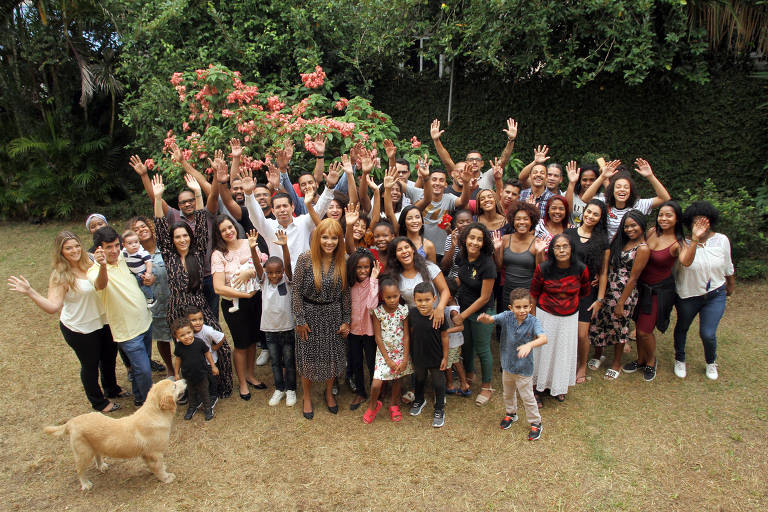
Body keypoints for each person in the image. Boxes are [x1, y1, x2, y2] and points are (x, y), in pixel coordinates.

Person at [8, 231, 125, 412]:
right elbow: (53, 306)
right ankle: (99, 402)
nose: (75, 250)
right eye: (68, 248)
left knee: (109, 358)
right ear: (61, 251)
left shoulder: (93, 260)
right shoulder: (60, 275)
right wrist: (30, 292)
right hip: (80, 328)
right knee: (90, 365)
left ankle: (111, 388)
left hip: (104, 321)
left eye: (77, 245)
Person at [151, 175, 233, 398]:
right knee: (186, 351)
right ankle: (188, 390)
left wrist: (198, 193)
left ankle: (219, 385)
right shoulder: (168, 255)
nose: (182, 239)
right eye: (177, 236)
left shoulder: (197, 252)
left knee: (220, 344)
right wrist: (158, 197)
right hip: (177, 309)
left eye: (185, 235)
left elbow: (201, 222)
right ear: (172, 239)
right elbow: (159, 225)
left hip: (198, 306)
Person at [130, 151, 220, 319]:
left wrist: (215, 175)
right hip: (185, 277)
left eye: (190, 200)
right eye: (183, 202)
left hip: (209, 274)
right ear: (178, 205)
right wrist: (144, 176)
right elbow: (155, 200)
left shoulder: (206, 213)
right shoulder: (173, 216)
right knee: (189, 320)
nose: (187, 204)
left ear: (196, 200)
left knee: (211, 316)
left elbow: (214, 195)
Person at [625, 201, 694, 381]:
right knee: (639, 323)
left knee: (644, 331)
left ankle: (651, 361)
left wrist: (694, 239)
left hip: (659, 291)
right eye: (661, 214)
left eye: (668, 215)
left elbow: (686, 261)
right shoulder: (651, 232)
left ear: (677, 218)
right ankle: (640, 360)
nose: (663, 218)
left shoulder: (678, 243)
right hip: (641, 286)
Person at [291, 218, 352, 420]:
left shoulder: (342, 259)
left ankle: (328, 393)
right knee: (308, 358)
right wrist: (300, 320)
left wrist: (346, 320)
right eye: (325, 237)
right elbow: (296, 291)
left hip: (333, 315)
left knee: (331, 358)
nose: (329, 242)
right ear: (317, 238)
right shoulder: (305, 259)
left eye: (334, 238)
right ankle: (307, 397)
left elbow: (345, 294)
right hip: (309, 315)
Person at [87, 226, 154, 406]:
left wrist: (149, 278)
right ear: (98, 249)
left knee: (142, 367)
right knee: (144, 370)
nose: (115, 250)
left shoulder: (125, 258)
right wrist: (102, 266)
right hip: (127, 332)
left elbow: (143, 269)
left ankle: (140, 397)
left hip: (145, 323)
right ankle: (148, 402)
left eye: (117, 245)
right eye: (109, 247)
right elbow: (101, 285)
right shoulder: (94, 271)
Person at [672, 201, 735, 381]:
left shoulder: (721, 240)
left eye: (704, 221)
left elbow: (728, 266)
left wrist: (730, 286)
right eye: (696, 221)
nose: (700, 225)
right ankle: (680, 359)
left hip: (715, 293)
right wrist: (695, 239)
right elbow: (686, 262)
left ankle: (711, 362)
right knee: (682, 327)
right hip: (688, 295)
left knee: (707, 333)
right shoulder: (683, 243)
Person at [478, 288, 546, 441]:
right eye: (518, 307)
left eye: (525, 307)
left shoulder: (534, 321)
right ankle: (511, 413)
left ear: (530, 306)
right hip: (507, 366)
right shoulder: (506, 316)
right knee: (508, 394)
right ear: (511, 308)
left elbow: (543, 338)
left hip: (524, 369)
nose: (522, 310)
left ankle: (536, 423)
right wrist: (486, 319)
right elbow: (492, 319)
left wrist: (529, 345)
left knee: (528, 397)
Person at [210, 215, 267, 400]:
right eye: (223, 230)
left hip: (254, 299)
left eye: (230, 227)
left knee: (252, 340)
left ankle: (251, 375)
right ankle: (242, 382)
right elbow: (218, 287)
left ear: (235, 227)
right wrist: (243, 295)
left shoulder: (248, 242)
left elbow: (261, 269)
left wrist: (250, 271)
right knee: (241, 344)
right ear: (219, 235)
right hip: (234, 303)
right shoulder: (218, 254)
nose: (228, 231)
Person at [530, 234, 590, 405]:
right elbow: (533, 294)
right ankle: (536, 387)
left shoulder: (581, 269)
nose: (562, 250)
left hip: (569, 319)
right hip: (545, 316)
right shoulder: (542, 268)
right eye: (557, 246)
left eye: (565, 246)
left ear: (572, 248)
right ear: (552, 249)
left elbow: (585, 292)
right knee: (542, 352)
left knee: (562, 353)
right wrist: (533, 320)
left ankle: (557, 386)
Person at [589, 210, 650, 379]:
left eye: (634, 225)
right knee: (599, 320)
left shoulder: (643, 248)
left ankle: (616, 362)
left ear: (642, 226)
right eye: (626, 226)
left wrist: (622, 302)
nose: (630, 229)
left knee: (619, 326)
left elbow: (633, 278)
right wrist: (600, 278)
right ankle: (598, 353)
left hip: (624, 291)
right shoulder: (620, 241)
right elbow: (608, 262)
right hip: (608, 285)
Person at [565, 199, 610, 384]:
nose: (590, 217)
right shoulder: (568, 233)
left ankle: (582, 365)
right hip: (566, 289)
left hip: (587, 292)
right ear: (583, 212)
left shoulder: (602, 241)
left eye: (595, 214)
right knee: (566, 331)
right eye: (588, 212)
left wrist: (600, 299)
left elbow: (604, 272)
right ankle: (566, 363)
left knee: (582, 334)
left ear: (600, 219)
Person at [455, 223, 498, 406]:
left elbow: (484, 297)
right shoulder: (461, 256)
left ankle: (487, 386)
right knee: (467, 346)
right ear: (465, 239)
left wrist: (462, 316)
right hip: (464, 308)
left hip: (482, 313)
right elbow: (460, 279)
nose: (475, 242)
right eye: (472, 238)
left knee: (482, 349)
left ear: (484, 243)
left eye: (479, 239)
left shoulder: (487, 264)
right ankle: (470, 374)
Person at [253, 229, 296, 406]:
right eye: (270, 273)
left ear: (283, 272)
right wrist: (251, 249)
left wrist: (285, 246)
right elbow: (257, 266)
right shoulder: (263, 282)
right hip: (270, 330)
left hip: (287, 328)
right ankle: (279, 388)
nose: (274, 276)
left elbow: (286, 263)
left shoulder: (287, 280)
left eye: (277, 272)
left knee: (289, 361)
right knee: (275, 362)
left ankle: (291, 389)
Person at [581, 158, 671, 240]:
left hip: (629, 252)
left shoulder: (638, 204)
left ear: (631, 191)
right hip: (607, 251)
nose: (622, 189)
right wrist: (602, 177)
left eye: (626, 187)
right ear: (612, 190)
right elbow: (585, 198)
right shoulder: (605, 202)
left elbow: (664, 198)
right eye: (618, 187)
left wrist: (650, 176)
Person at [364, 278, 413, 423]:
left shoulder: (403, 311)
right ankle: (373, 405)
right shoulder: (378, 313)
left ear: (400, 294)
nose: (392, 300)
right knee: (376, 384)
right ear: (382, 297)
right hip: (384, 354)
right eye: (388, 297)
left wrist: (404, 358)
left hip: (400, 352)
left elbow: (406, 336)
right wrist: (388, 360)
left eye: (395, 296)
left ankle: (393, 404)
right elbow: (378, 337)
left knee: (397, 379)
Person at [129, 216, 173, 376]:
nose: (141, 230)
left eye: (143, 226)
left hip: (174, 300)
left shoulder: (166, 246)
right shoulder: (132, 256)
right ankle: (171, 369)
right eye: (136, 229)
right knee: (162, 339)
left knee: (182, 335)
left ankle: (185, 367)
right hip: (155, 304)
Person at [408, 282, 449, 428]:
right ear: (414, 300)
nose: (423, 303)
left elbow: (445, 336)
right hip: (418, 356)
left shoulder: (439, 315)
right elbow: (410, 334)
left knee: (438, 382)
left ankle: (439, 408)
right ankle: (419, 400)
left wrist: (445, 357)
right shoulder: (412, 314)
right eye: (419, 300)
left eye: (427, 300)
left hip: (436, 357)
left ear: (434, 299)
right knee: (419, 378)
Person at [386, 237, 451, 325]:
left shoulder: (430, 267)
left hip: (436, 317)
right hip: (414, 321)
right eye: (399, 250)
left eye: (406, 247)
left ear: (413, 249)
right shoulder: (395, 277)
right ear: (395, 255)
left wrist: (440, 309)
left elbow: (445, 291)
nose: (404, 251)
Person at [346, 249, 381, 411]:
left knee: (372, 361)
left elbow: (371, 306)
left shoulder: (374, 283)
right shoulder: (350, 284)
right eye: (359, 267)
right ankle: (360, 391)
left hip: (369, 331)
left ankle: (376, 390)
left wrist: (373, 279)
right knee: (356, 361)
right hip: (353, 331)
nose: (363, 271)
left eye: (366, 267)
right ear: (353, 267)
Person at [172, 317, 217, 421]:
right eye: (182, 335)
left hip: (202, 374)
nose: (187, 337)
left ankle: (208, 408)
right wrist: (176, 373)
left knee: (204, 392)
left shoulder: (199, 343)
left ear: (192, 331)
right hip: (188, 375)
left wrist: (213, 366)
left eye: (189, 333)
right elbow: (178, 360)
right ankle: (192, 407)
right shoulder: (179, 347)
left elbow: (208, 353)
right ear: (176, 336)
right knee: (191, 392)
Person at [186, 305, 225, 407]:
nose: (198, 322)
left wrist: (215, 348)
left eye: (200, 319)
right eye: (193, 320)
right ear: (187, 321)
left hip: (209, 362)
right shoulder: (187, 332)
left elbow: (221, 337)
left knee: (212, 379)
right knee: (200, 380)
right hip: (197, 363)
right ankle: (200, 397)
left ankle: (213, 396)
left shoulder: (207, 330)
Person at [443, 279, 470, 396]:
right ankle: (464, 384)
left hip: (452, 342)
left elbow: (461, 327)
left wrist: (446, 331)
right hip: (455, 341)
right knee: (456, 361)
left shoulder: (452, 310)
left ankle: (450, 384)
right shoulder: (453, 302)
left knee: (448, 365)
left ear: (448, 297)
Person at [121, 229, 155, 307]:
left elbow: (148, 262)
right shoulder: (124, 252)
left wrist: (148, 273)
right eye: (130, 243)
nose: (134, 245)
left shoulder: (141, 252)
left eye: (136, 242)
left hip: (142, 272)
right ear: (124, 245)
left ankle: (151, 298)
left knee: (144, 287)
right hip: (133, 273)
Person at [440, 209, 474, 283]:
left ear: (473, 223)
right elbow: (444, 266)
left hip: (473, 278)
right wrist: (453, 246)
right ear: (455, 225)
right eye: (461, 222)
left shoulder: (477, 238)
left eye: (468, 222)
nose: (465, 224)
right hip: (454, 279)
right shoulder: (451, 237)